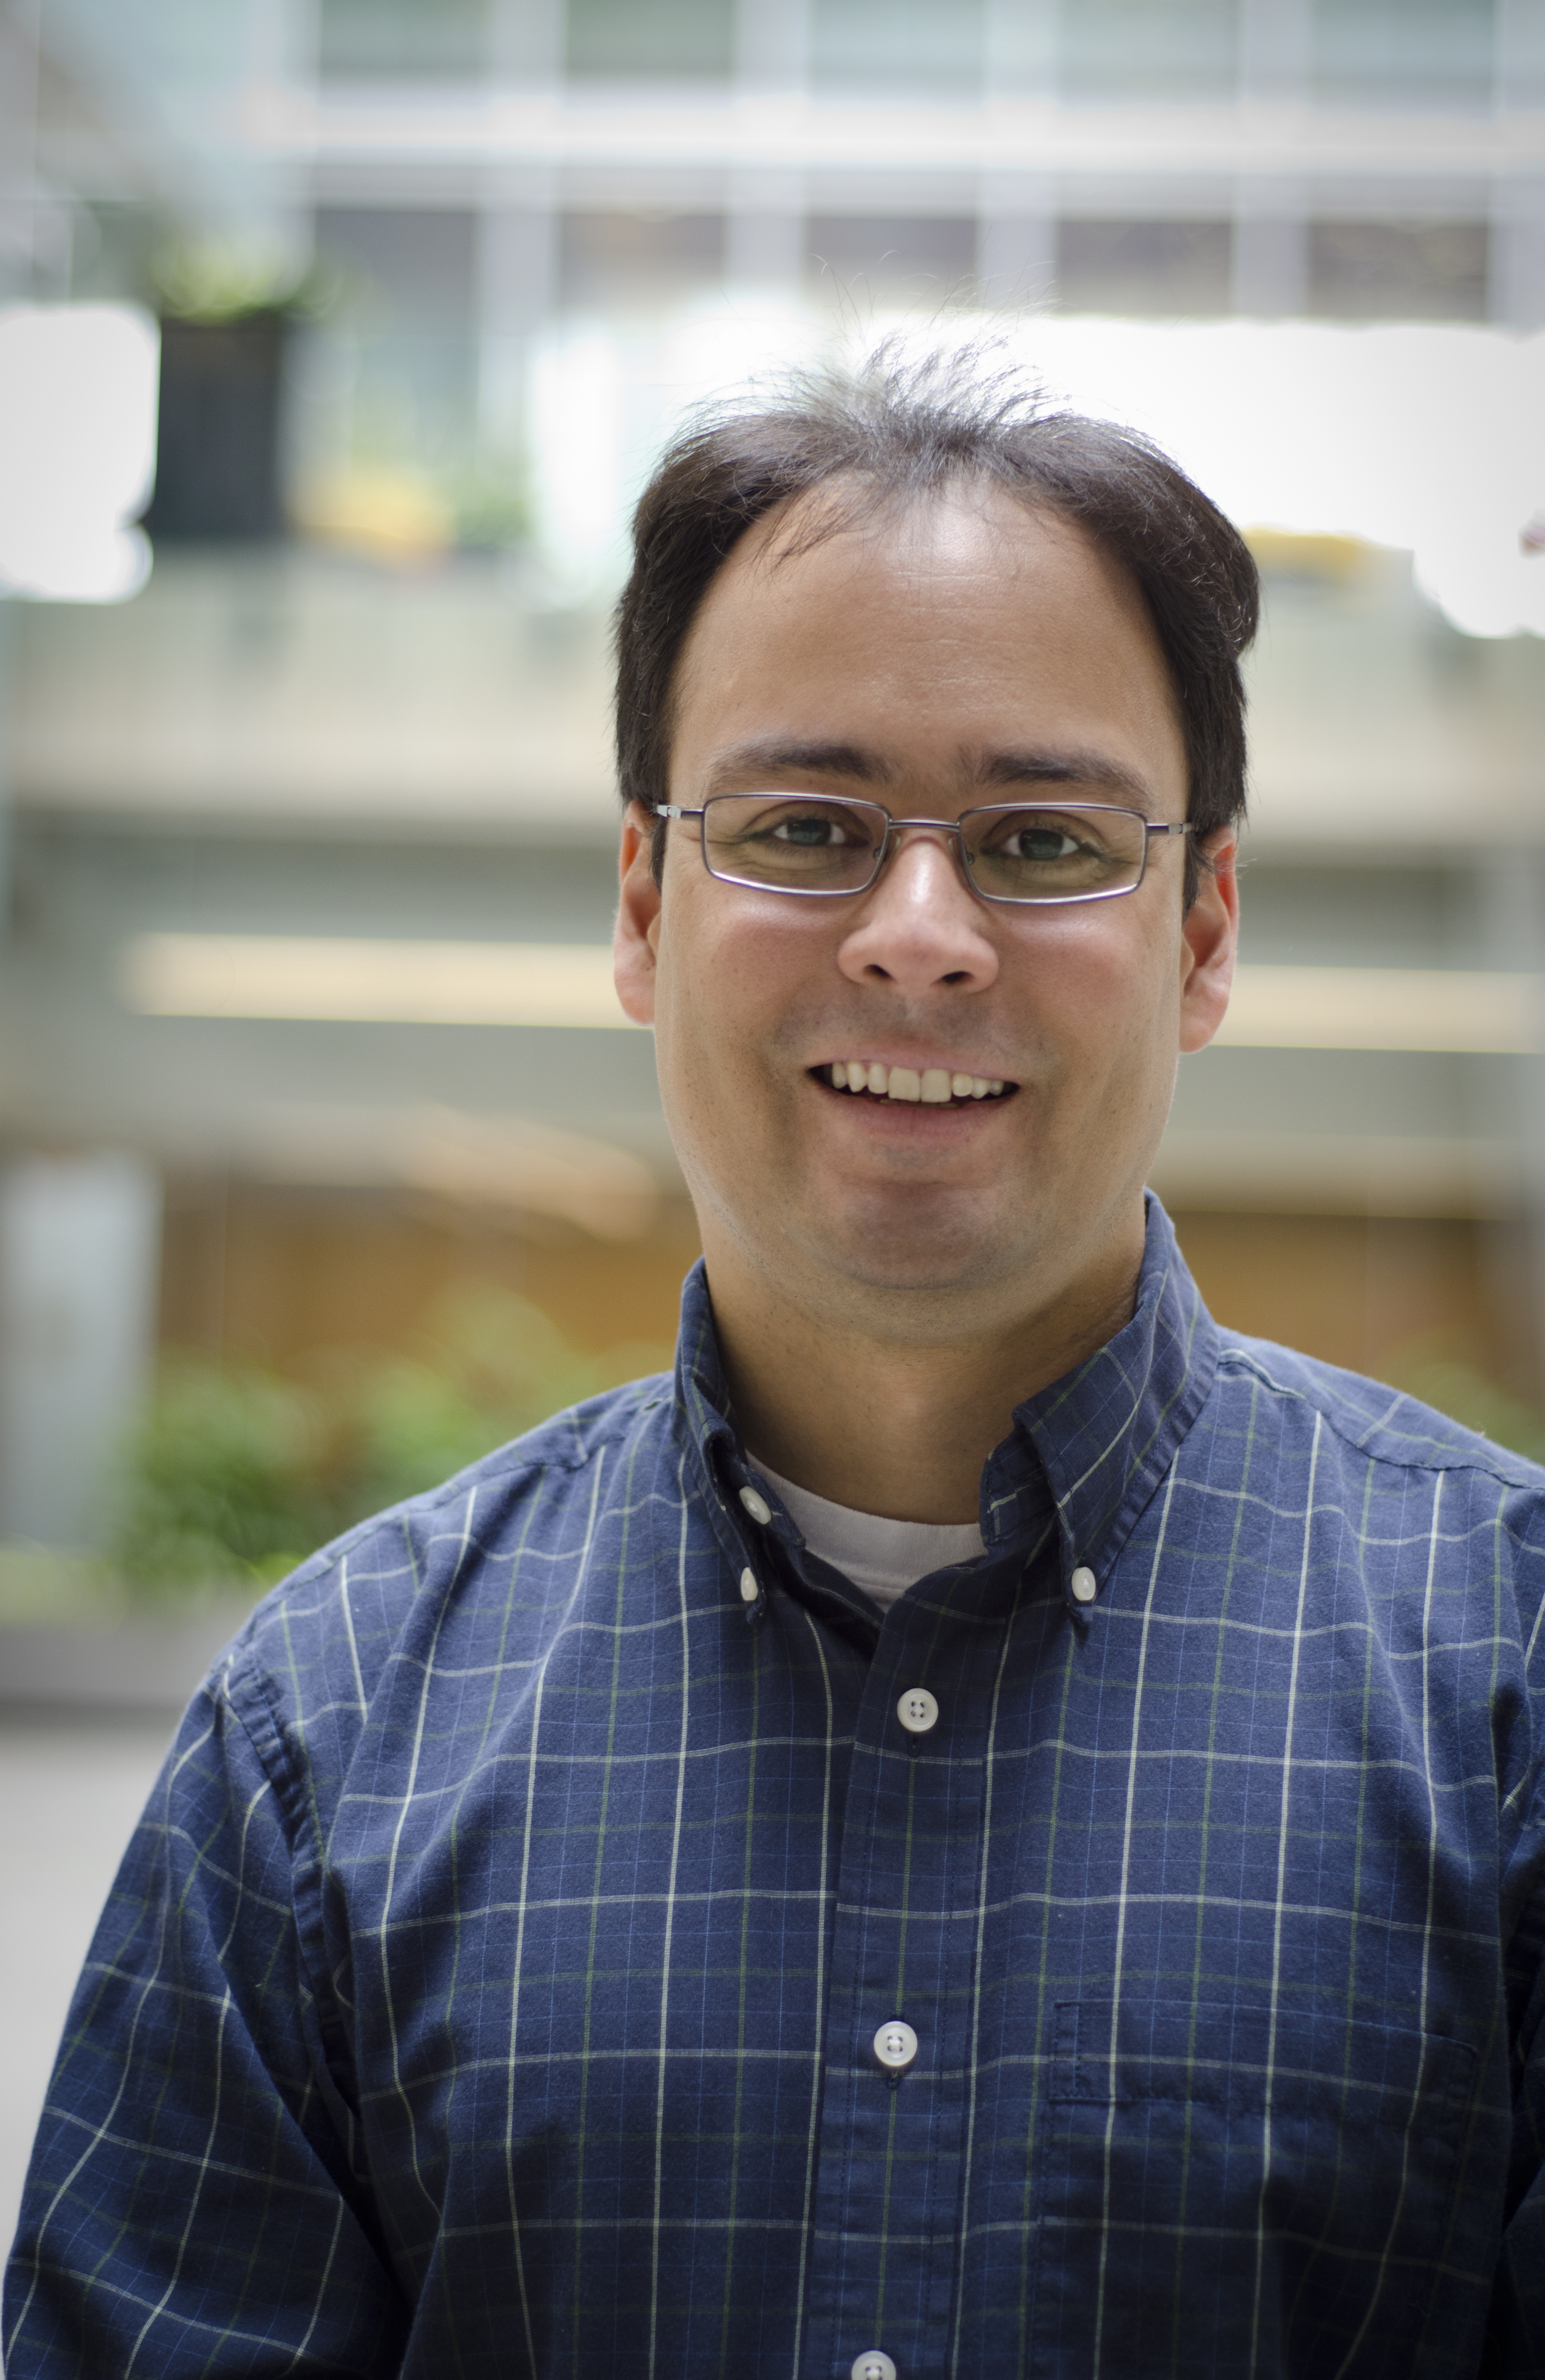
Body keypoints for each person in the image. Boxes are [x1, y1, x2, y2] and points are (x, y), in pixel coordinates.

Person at [6, 349, 1545, 2380]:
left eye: (1041, 842)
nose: (917, 932)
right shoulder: (329, 1735)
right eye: (805, 825)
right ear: (643, 903)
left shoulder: (1504, 1678)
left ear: (1202, 927)